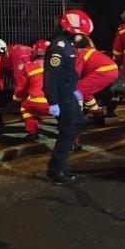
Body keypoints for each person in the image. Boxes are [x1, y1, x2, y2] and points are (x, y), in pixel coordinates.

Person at [43, 9, 92, 184]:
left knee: (78, 122)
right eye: (81, 34)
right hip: (61, 97)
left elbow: (67, 73)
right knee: (68, 131)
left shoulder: (68, 44)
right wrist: (53, 101)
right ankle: (57, 170)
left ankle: (57, 166)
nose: (82, 37)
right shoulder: (59, 46)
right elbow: (50, 78)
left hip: (68, 93)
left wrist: (74, 89)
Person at [75, 36, 119, 126]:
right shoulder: (90, 51)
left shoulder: (81, 54)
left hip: (104, 72)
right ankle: (99, 113)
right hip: (112, 70)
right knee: (90, 91)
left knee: (80, 90)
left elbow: (75, 75)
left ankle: (97, 114)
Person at [12, 39, 50, 141]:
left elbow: (21, 89)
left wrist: (16, 99)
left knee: (25, 106)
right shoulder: (57, 65)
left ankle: (32, 132)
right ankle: (74, 142)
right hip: (56, 104)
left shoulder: (28, 66)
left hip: (36, 103)